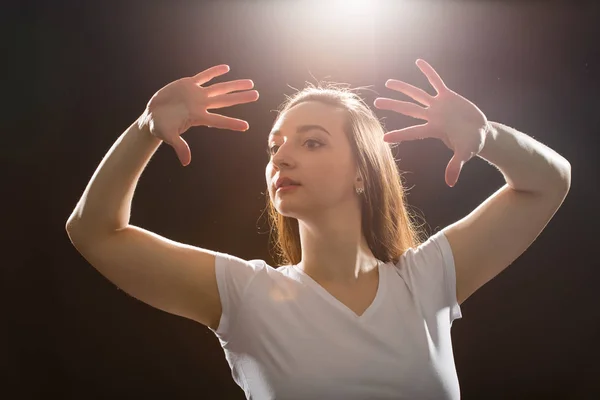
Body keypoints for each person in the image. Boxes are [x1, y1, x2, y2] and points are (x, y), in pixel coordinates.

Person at [66, 62, 571, 399]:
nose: (281, 156)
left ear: (362, 171)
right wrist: (144, 130)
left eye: (311, 143)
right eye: (274, 146)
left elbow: (548, 182)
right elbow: (95, 232)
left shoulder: (426, 281)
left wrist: (488, 138)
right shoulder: (247, 296)